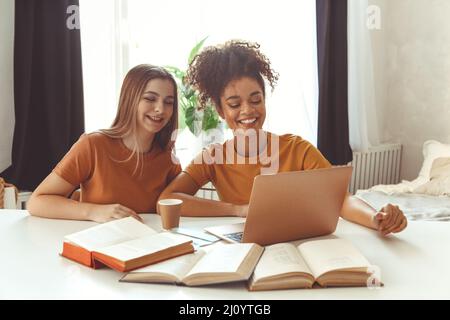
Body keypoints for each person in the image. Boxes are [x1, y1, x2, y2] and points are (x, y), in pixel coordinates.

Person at [159, 40, 407, 236]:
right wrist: (238, 210)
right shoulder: (213, 157)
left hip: (299, 243)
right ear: (222, 111)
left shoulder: (297, 149)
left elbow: (341, 199)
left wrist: (376, 219)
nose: (247, 111)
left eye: (256, 100)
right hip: (244, 245)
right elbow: (168, 199)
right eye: (235, 104)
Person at [28, 64, 181, 223]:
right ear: (130, 99)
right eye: (150, 98)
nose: (160, 109)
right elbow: (37, 202)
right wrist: (94, 211)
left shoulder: (168, 158)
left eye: (168, 102)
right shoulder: (93, 145)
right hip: (96, 243)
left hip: (147, 243)